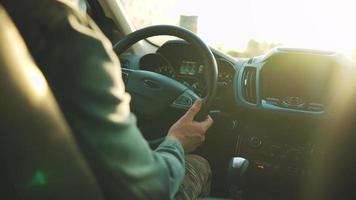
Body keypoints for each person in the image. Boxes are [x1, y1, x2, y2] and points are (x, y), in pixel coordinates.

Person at [1, 0, 213, 199]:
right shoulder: (67, 38)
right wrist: (176, 141)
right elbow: (151, 188)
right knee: (199, 164)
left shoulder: (14, 23)